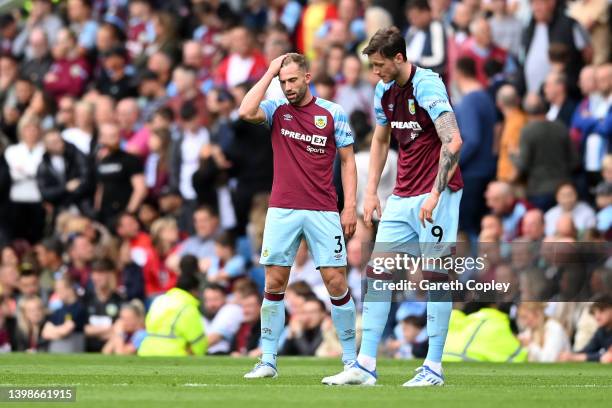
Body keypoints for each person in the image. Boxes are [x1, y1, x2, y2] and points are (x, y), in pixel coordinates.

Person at [324, 27, 463, 387]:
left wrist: (436, 193)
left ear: (398, 58)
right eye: (371, 66)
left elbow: (453, 140)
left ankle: (433, 367)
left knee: (436, 276)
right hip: (400, 196)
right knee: (377, 274)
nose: (375, 72)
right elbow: (382, 138)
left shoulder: (428, 86)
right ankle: (365, 364)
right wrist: (370, 193)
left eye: (379, 64)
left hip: (437, 195)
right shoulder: (383, 90)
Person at [238, 52, 357, 380]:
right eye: (283, 81)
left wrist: (349, 206)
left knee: (336, 281)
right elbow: (245, 110)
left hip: (323, 209)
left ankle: (351, 362)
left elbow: (348, 161)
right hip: (282, 208)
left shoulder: (333, 113)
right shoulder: (277, 109)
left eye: (292, 80)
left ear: (307, 77)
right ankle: (268, 360)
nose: (287, 87)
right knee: (274, 282)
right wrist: (269, 73)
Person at [138, 262, 207, 357]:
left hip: (146, 351)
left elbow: (147, 323)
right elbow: (198, 341)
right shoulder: (188, 307)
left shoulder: (159, 300)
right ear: (193, 290)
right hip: (173, 355)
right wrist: (198, 354)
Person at [559, 295, 612, 363]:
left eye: (602, 310)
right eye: (594, 313)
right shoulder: (601, 331)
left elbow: (607, 356)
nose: (597, 316)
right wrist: (569, 355)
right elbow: (588, 350)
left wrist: (575, 358)